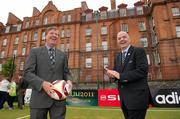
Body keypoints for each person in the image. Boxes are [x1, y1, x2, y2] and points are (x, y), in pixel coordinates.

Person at [23, 27, 72, 119]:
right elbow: (27, 73)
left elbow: (66, 72)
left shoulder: (63, 55)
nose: (55, 35)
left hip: (58, 100)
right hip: (39, 99)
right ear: (45, 36)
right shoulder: (35, 52)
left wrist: (69, 80)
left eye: (57, 34)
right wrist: (42, 83)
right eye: (52, 33)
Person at [105, 31, 150, 119]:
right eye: (119, 38)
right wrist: (112, 75)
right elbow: (117, 74)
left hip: (137, 99)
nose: (122, 39)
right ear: (117, 41)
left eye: (124, 37)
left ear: (129, 39)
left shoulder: (138, 51)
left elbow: (142, 71)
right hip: (124, 100)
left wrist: (120, 76)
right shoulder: (118, 56)